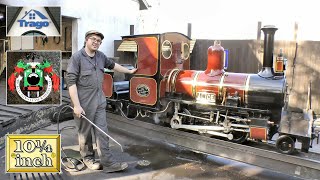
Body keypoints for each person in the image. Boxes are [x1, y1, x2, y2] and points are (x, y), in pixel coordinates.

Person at [66, 30, 137, 171]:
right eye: (93, 39)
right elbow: (71, 82)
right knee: (85, 134)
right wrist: (77, 105)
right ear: (86, 40)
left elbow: (113, 65)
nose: (96, 42)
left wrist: (129, 71)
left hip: (99, 100)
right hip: (83, 102)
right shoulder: (77, 58)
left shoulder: (101, 56)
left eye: (99, 41)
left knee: (102, 132)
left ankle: (108, 162)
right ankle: (88, 159)